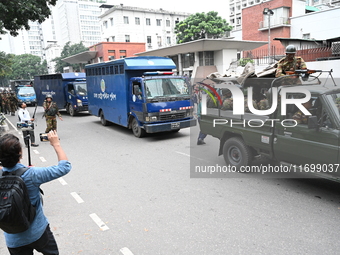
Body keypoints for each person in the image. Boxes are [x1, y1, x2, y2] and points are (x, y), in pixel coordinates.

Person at [0, 130, 71, 254]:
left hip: (13, 239)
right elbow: (64, 167)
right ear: (20, 154)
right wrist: (56, 144)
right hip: (38, 232)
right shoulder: (32, 174)